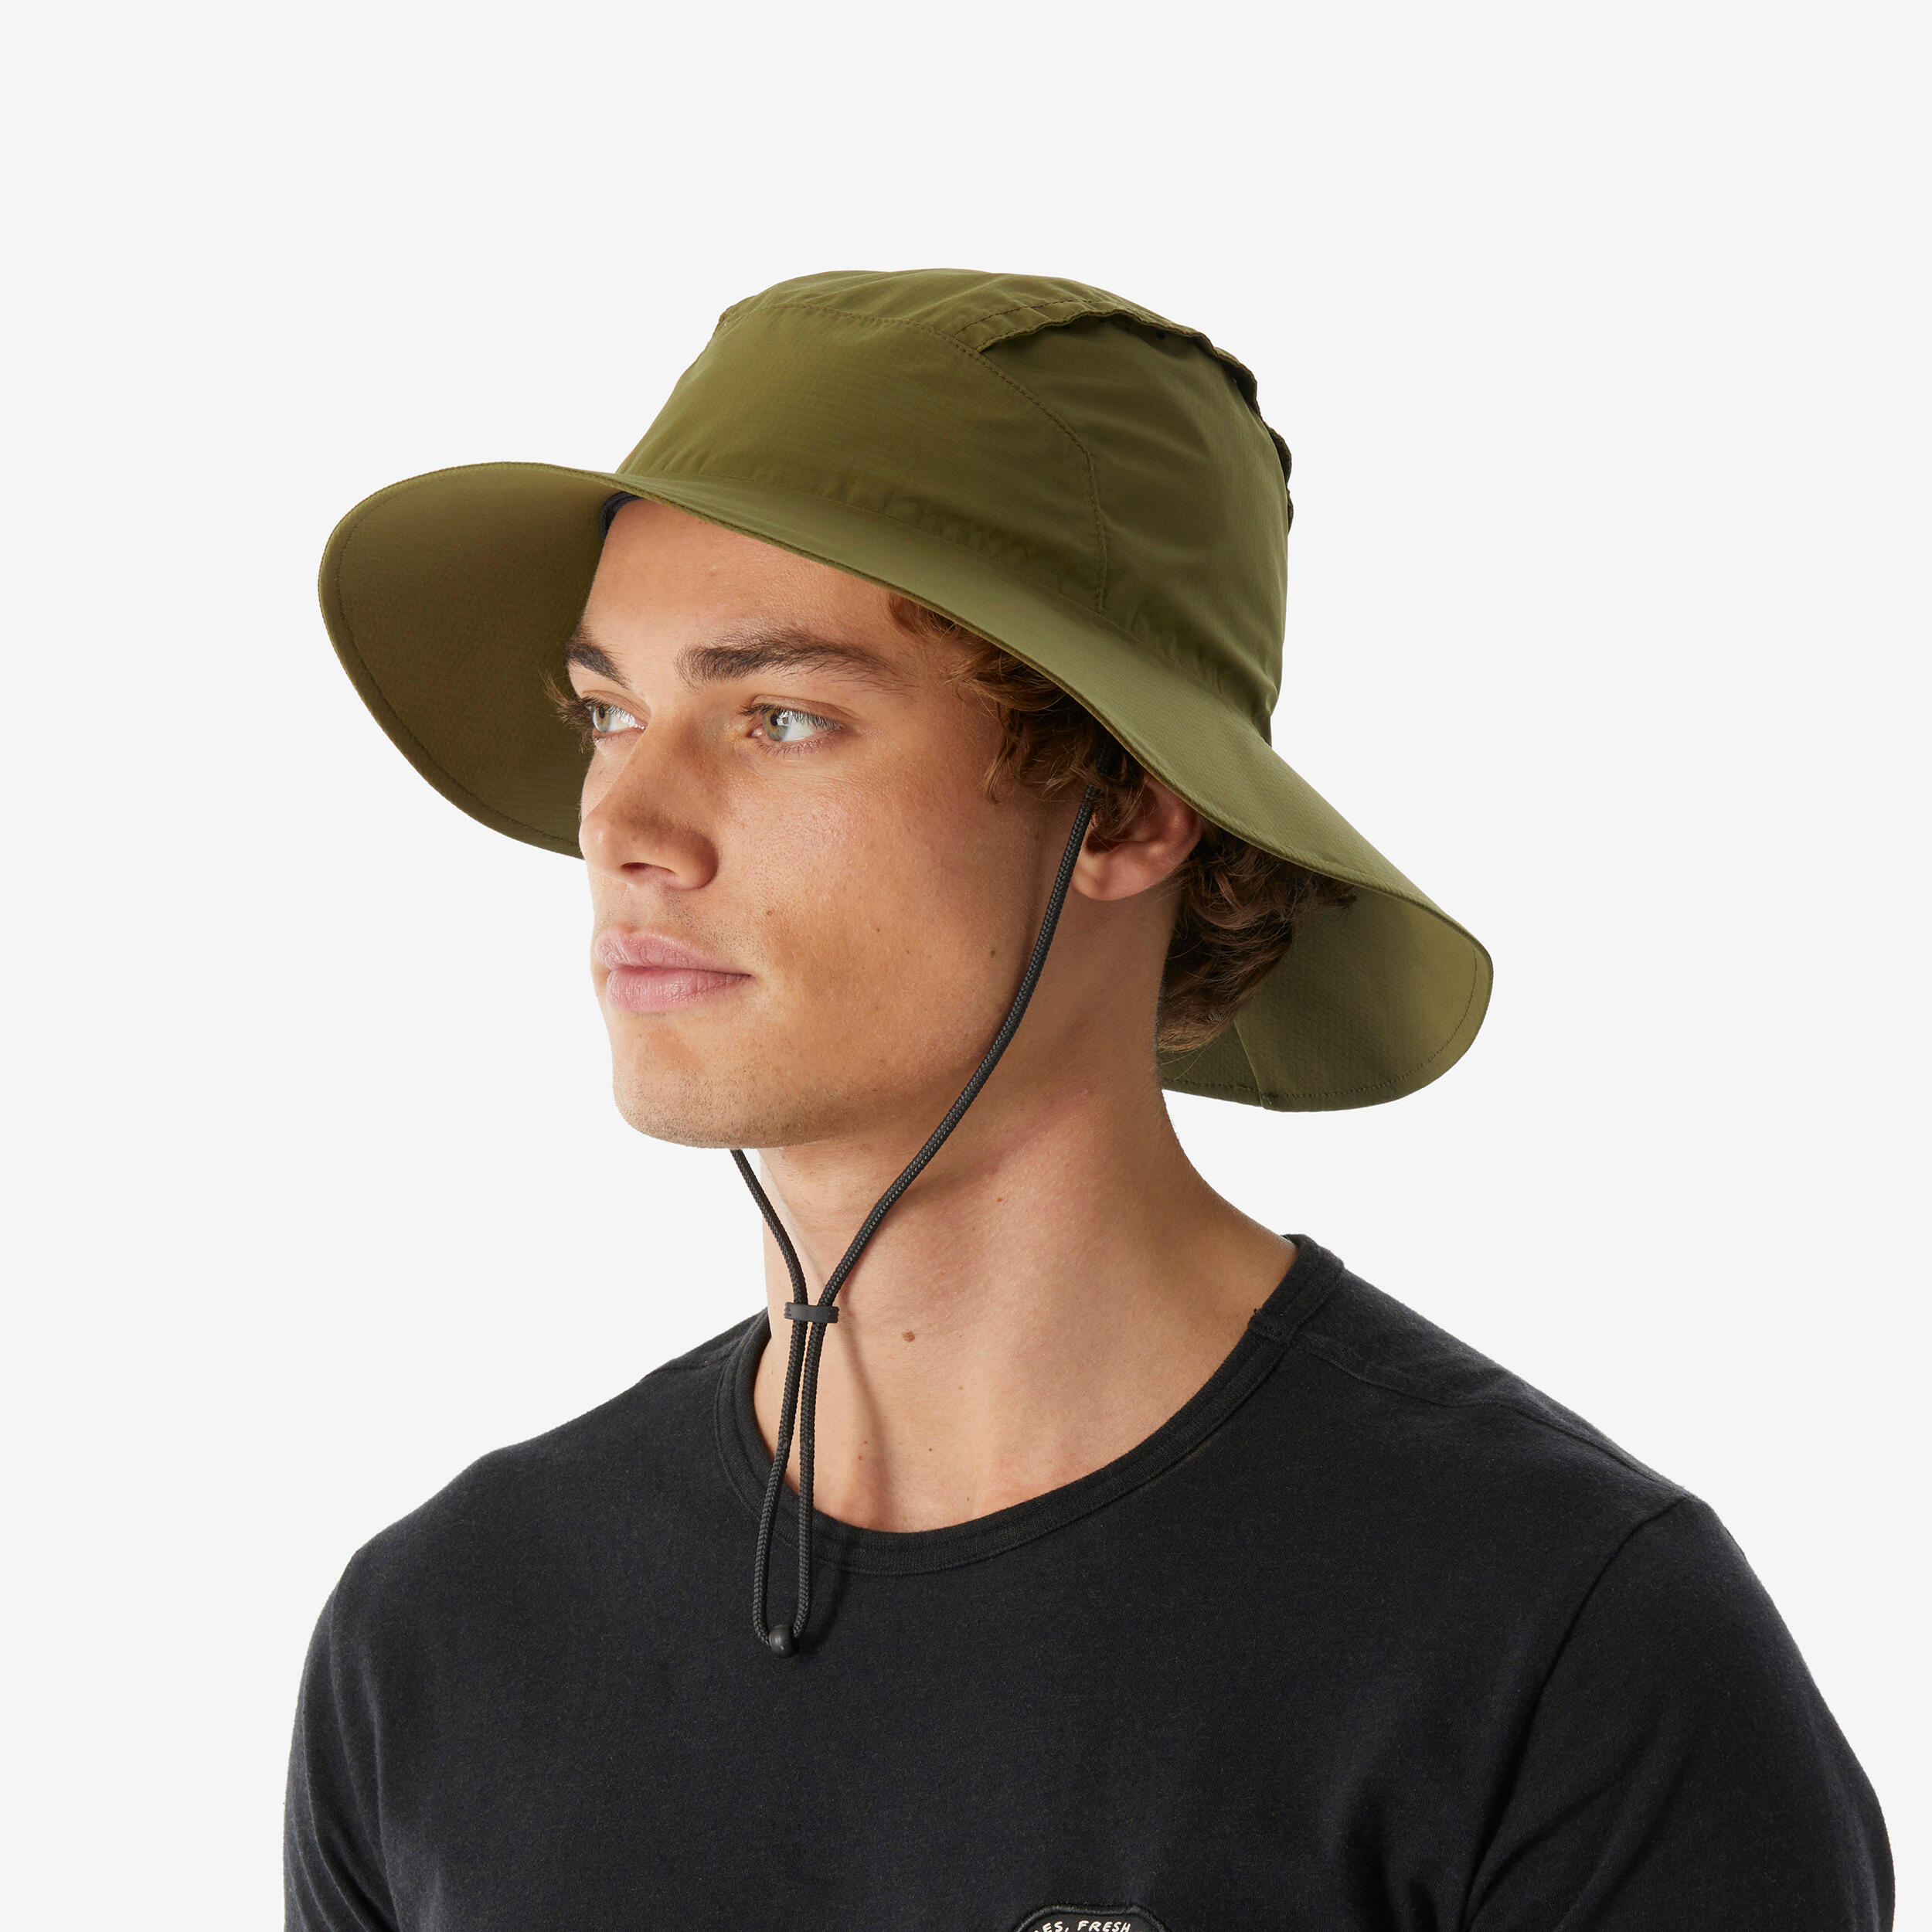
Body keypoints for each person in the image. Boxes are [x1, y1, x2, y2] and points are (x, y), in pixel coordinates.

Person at [288, 268, 1891, 1930]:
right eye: (608, 711)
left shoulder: (1558, 1648)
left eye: (780, 717)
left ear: (1124, 805)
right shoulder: (442, 1639)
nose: (627, 824)